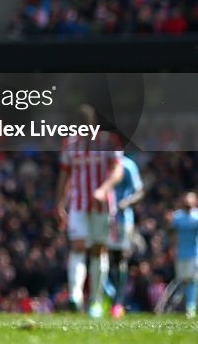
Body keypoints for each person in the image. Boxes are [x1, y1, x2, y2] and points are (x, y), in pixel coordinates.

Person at [55, 104, 123, 318]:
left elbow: (118, 170)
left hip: (101, 205)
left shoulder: (108, 142)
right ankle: (75, 296)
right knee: (77, 246)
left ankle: (94, 301)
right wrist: (59, 204)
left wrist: (104, 189)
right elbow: (64, 176)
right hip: (78, 204)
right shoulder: (70, 145)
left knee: (98, 250)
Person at [108, 154, 144, 319]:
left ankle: (118, 302)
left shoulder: (128, 165)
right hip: (103, 218)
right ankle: (108, 295)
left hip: (123, 220)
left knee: (120, 258)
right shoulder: (102, 164)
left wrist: (126, 202)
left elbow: (139, 191)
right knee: (104, 257)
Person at [170, 191, 198, 317]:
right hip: (181, 253)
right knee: (184, 280)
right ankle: (188, 306)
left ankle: (191, 307)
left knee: (193, 280)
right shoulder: (177, 217)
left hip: (196, 254)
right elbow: (171, 232)